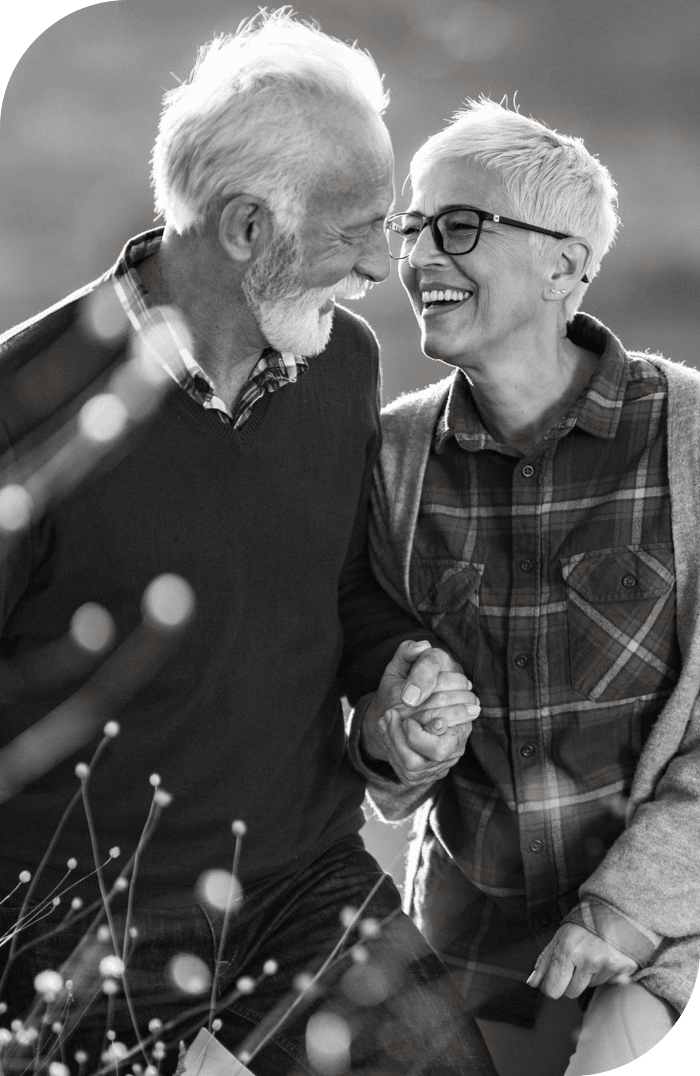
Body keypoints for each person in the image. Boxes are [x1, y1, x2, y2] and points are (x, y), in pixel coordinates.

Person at [0, 14, 497, 1076]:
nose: (384, 262)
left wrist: (398, 671)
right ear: (244, 229)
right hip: (79, 928)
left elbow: (343, 585)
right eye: (359, 228)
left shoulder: (342, 363)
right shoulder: (20, 412)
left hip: (302, 882)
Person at [349, 99, 700, 1076]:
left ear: (562, 263)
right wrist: (396, 737)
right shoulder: (390, 457)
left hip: (664, 946)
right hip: (467, 962)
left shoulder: (691, 438)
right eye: (410, 227)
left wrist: (620, 913)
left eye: (457, 225)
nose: (420, 256)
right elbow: (377, 743)